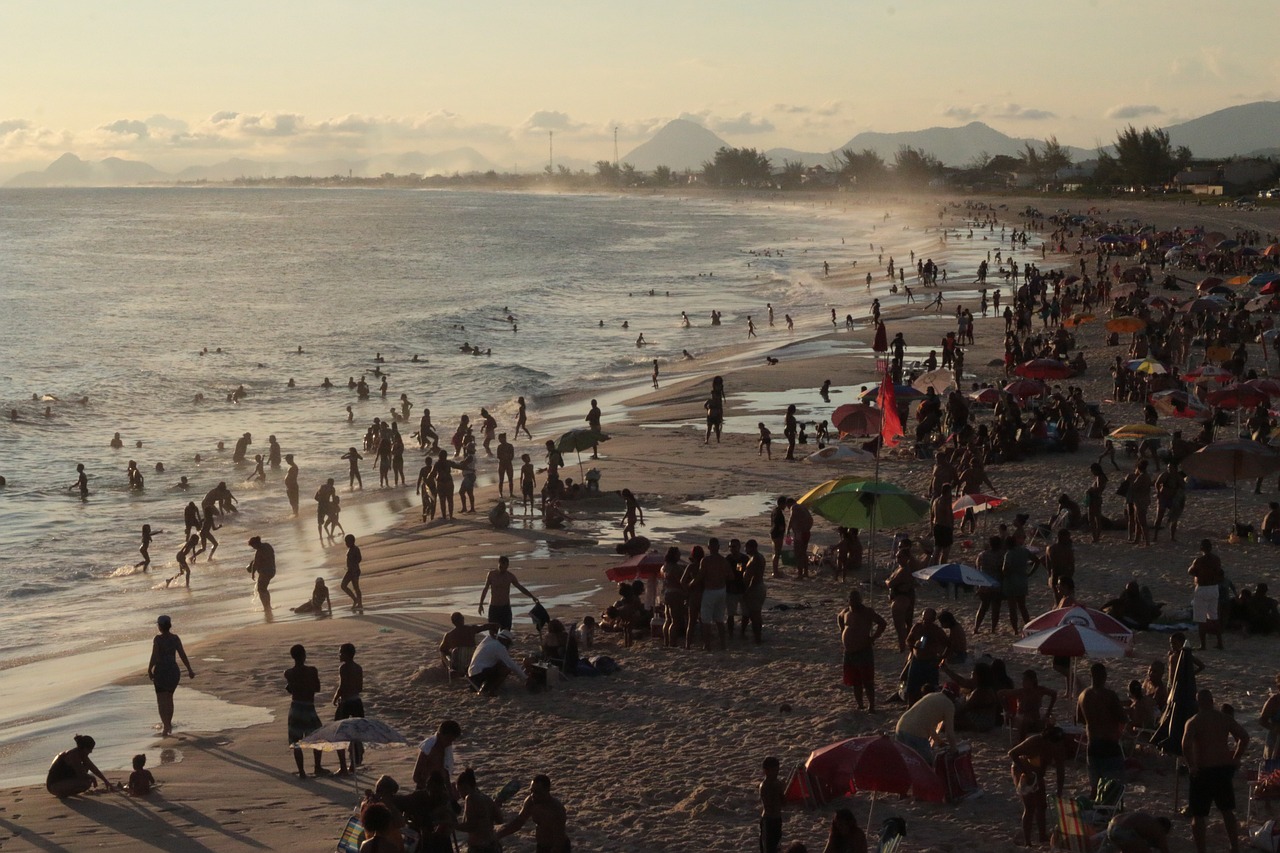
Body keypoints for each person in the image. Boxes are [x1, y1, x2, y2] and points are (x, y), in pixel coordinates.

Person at [1182, 688, 1249, 853]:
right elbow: (1244, 737)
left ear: (1198, 704)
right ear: (1212, 701)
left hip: (1202, 770)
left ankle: (1202, 850)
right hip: (1222, 770)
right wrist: (1235, 757)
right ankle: (1234, 846)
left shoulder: (1194, 721)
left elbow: (1185, 745)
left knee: (1198, 816)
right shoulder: (1224, 718)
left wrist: (1191, 765)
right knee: (1227, 811)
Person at [1008, 727, 1066, 847]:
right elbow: (1012, 753)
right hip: (1022, 770)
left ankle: (1042, 836)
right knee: (1029, 807)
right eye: (1054, 744)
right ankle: (1027, 841)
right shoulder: (1034, 742)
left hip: (1037, 773)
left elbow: (1061, 770)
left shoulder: (1058, 748)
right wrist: (1027, 772)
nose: (1056, 747)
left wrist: (1059, 791)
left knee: (1042, 805)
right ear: (1047, 740)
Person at [1077, 662, 1127, 792]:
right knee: (1114, 789)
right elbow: (1122, 718)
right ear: (1105, 676)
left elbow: (1080, 719)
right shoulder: (1110, 695)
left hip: (1092, 745)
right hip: (1109, 744)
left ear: (1090, 676)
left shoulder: (1082, 696)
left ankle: (1095, 811)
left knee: (1095, 788)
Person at [838, 588, 887, 712]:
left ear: (860, 600)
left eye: (856, 600)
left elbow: (882, 623)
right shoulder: (845, 612)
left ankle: (871, 705)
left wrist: (874, 637)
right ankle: (860, 704)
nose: (854, 602)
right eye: (852, 600)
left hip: (863, 649)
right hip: (849, 651)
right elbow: (839, 618)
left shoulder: (867, 612)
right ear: (848, 601)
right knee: (855, 681)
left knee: (868, 681)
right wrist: (842, 631)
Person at [147, 614, 195, 737]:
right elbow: (182, 655)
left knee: (161, 701)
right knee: (169, 699)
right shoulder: (175, 638)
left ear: (160, 626)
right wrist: (189, 669)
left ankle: (166, 725)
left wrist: (149, 669)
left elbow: (155, 655)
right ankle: (168, 723)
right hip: (173, 672)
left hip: (161, 672)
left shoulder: (158, 639)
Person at [285, 643, 328, 778]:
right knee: (318, 737)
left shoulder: (288, 673)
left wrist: (293, 687)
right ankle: (317, 766)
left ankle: (302, 772)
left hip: (296, 707)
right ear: (304, 655)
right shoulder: (312, 671)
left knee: (295, 741)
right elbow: (317, 688)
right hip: (309, 707)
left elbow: (292, 688)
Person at [497, 774, 570, 853]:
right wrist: (498, 835)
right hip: (541, 846)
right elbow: (519, 822)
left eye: (537, 792)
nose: (533, 795)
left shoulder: (556, 810)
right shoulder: (531, 802)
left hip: (559, 848)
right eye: (532, 791)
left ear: (547, 790)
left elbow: (559, 840)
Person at [895, 686, 957, 763]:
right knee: (927, 764)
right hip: (916, 734)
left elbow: (927, 724)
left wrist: (939, 742)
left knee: (906, 763)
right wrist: (954, 750)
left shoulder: (931, 695)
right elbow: (949, 733)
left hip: (900, 727)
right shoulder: (949, 705)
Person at [478, 556, 540, 630]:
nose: (502, 569)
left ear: (507, 566)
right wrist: (481, 604)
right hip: (494, 607)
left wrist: (532, 597)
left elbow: (520, 587)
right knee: (493, 631)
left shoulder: (510, 576)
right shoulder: (491, 574)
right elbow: (485, 589)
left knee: (506, 631)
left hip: (505, 607)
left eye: (505, 567)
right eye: (501, 566)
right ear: (498, 564)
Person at [998, 670, 1058, 742]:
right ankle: (1021, 742)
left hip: (1036, 718)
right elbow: (1000, 693)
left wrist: (1049, 711)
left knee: (1050, 722)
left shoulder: (1039, 690)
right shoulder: (1020, 692)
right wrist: (1007, 710)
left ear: (1033, 681)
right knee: (1026, 720)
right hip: (1021, 718)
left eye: (1026, 680)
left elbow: (1054, 694)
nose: (1023, 682)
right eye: (1023, 680)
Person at [333, 642, 364, 775]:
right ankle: (353, 764)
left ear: (347, 654)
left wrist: (335, 697)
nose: (339, 655)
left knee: (338, 733)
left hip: (346, 703)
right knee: (356, 733)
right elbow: (360, 687)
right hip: (357, 701)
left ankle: (343, 767)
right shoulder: (358, 667)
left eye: (341, 652)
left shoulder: (344, 668)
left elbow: (343, 685)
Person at [46, 735, 112, 796]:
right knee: (86, 783)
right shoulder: (73, 756)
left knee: (86, 768)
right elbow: (81, 774)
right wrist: (92, 778)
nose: (91, 751)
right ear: (84, 748)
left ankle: (68, 791)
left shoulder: (81, 754)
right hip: (54, 786)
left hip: (63, 780)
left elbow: (93, 767)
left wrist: (105, 781)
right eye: (90, 749)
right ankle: (66, 794)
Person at [456, 767, 504, 853]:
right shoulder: (487, 799)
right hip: (493, 845)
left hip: (479, 848)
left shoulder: (470, 798)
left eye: (460, 791)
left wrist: (452, 825)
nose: (460, 795)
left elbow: (471, 826)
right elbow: (500, 820)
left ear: (466, 787)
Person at [1189, 539, 1225, 650]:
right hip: (1214, 588)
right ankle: (1220, 642)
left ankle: (1203, 645)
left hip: (1202, 589)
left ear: (1201, 548)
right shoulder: (1216, 559)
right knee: (1214, 617)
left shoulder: (1199, 560)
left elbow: (1190, 571)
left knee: (1201, 619)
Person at [467, 629, 528, 694]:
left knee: (499, 663)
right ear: (505, 641)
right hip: (479, 674)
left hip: (472, 673)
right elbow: (511, 664)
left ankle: (483, 685)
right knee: (505, 669)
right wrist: (525, 677)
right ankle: (488, 690)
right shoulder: (499, 647)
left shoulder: (487, 640)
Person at [413, 720, 462, 790]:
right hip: (425, 791)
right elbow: (416, 776)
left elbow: (446, 775)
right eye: (448, 739)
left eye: (452, 741)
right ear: (440, 734)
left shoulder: (446, 750)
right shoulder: (429, 748)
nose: (449, 743)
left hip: (440, 790)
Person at [1105, 811, 1172, 853]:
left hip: (1110, 828)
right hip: (1123, 830)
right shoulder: (1158, 827)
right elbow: (1164, 849)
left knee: (1128, 849)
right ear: (1164, 828)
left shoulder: (1147, 819)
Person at [759, 756, 785, 853]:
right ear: (766, 771)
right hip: (769, 820)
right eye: (774, 770)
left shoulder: (776, 783)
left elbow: (783, 802)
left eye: (777, 770)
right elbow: (770, 805)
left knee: (776, 847)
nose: (776, 773)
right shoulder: (765, 786)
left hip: (776, 819)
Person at [246, 536, 276, 611]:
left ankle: (266, 607)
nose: (253, 548)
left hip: (265, 572)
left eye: (253, 546)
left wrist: (252, 574)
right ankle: (268, 606)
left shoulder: (259, 551)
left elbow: (255, 564)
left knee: (261, 589)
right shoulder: (268, 546)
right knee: (264, 589)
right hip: (272, 570)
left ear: (256, 544)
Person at [341, 534, 363, 611]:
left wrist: (353, 565)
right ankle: (355, 599)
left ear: (351, 542)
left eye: (347, 542)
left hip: (354, 571)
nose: (346, 544)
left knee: (356, 587)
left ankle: (359, 603)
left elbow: (359, 559)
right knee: (343, 585)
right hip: (350, 571)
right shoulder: (350, 549)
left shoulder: (355, 549)